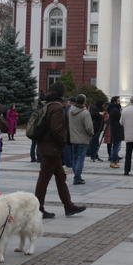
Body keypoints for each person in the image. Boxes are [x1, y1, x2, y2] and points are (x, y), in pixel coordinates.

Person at [34, 82, 86, 219]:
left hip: (49, 147)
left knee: (60, 177)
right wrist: (62, 143)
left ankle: (68, 206)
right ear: (62, 93)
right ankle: (37, 208)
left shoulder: (48, 105)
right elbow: (56, 129)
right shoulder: (56, 108)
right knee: (44, 178)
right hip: (52, 148)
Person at [68, 94, 94, 185]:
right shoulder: (85, 112)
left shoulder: (70, 111)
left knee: (75, 158)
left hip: (73, 138)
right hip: (83, 139)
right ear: (84, 102)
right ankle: (77, 178)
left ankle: (77, 176)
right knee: (80, 159)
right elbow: (89, 127)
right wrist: (91, 134)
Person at [107, 96, 123, 168]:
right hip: (116, 130)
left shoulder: (113, 109)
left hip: (115, 130)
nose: (120, 102)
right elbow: (120, 119)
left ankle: (113, 160)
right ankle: (113, 161)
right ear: (115, 102)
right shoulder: (115, 110)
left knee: (116, 146)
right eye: (118, 101)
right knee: (116, 147)